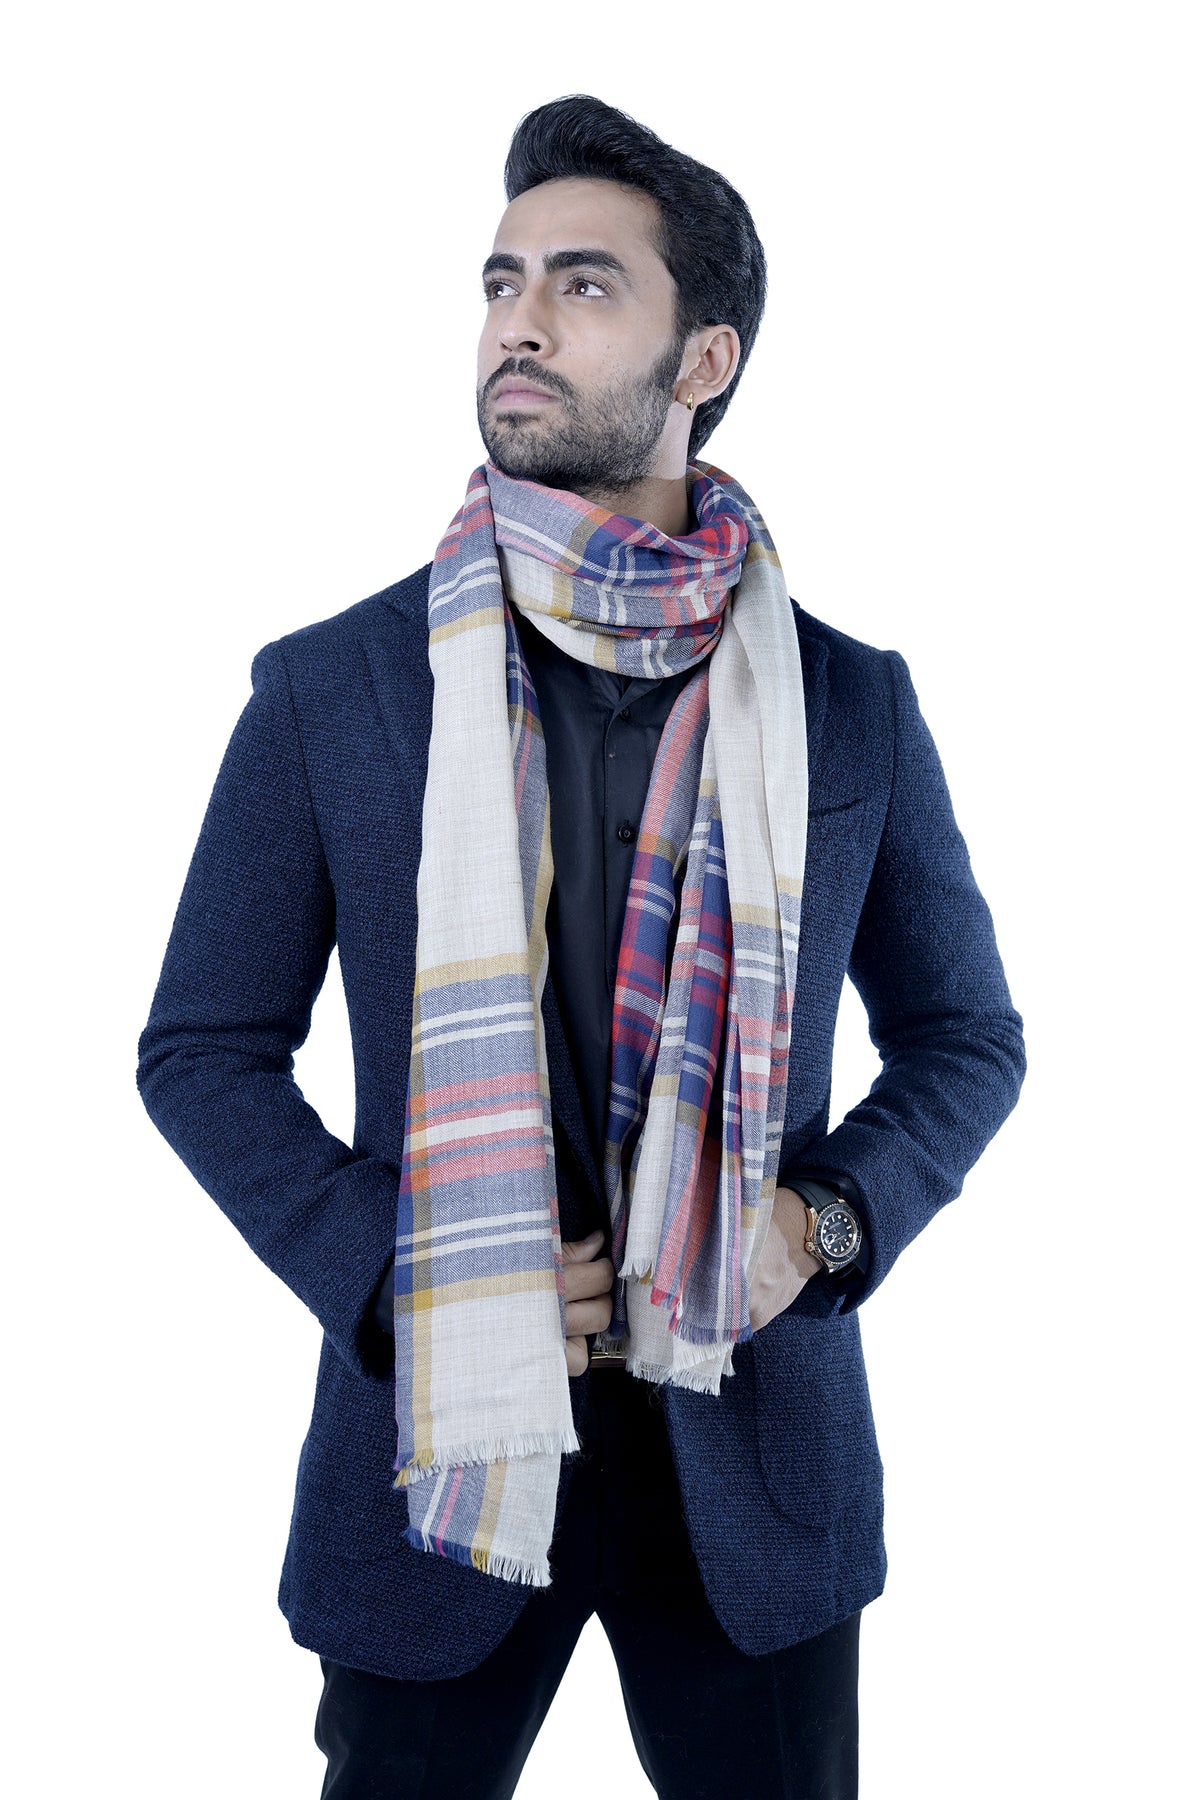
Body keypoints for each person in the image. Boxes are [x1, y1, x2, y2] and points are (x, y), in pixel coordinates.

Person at [136, 94, 1025, 1800]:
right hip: (435, 1462)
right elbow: (202, 1053)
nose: (519, 322)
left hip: (755, 1456)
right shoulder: (335, 690)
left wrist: (825, 1226)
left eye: (583, 284)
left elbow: (968, 1036)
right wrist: (398, 1273)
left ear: (707, 358)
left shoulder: (848, 701)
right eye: (502, 280)